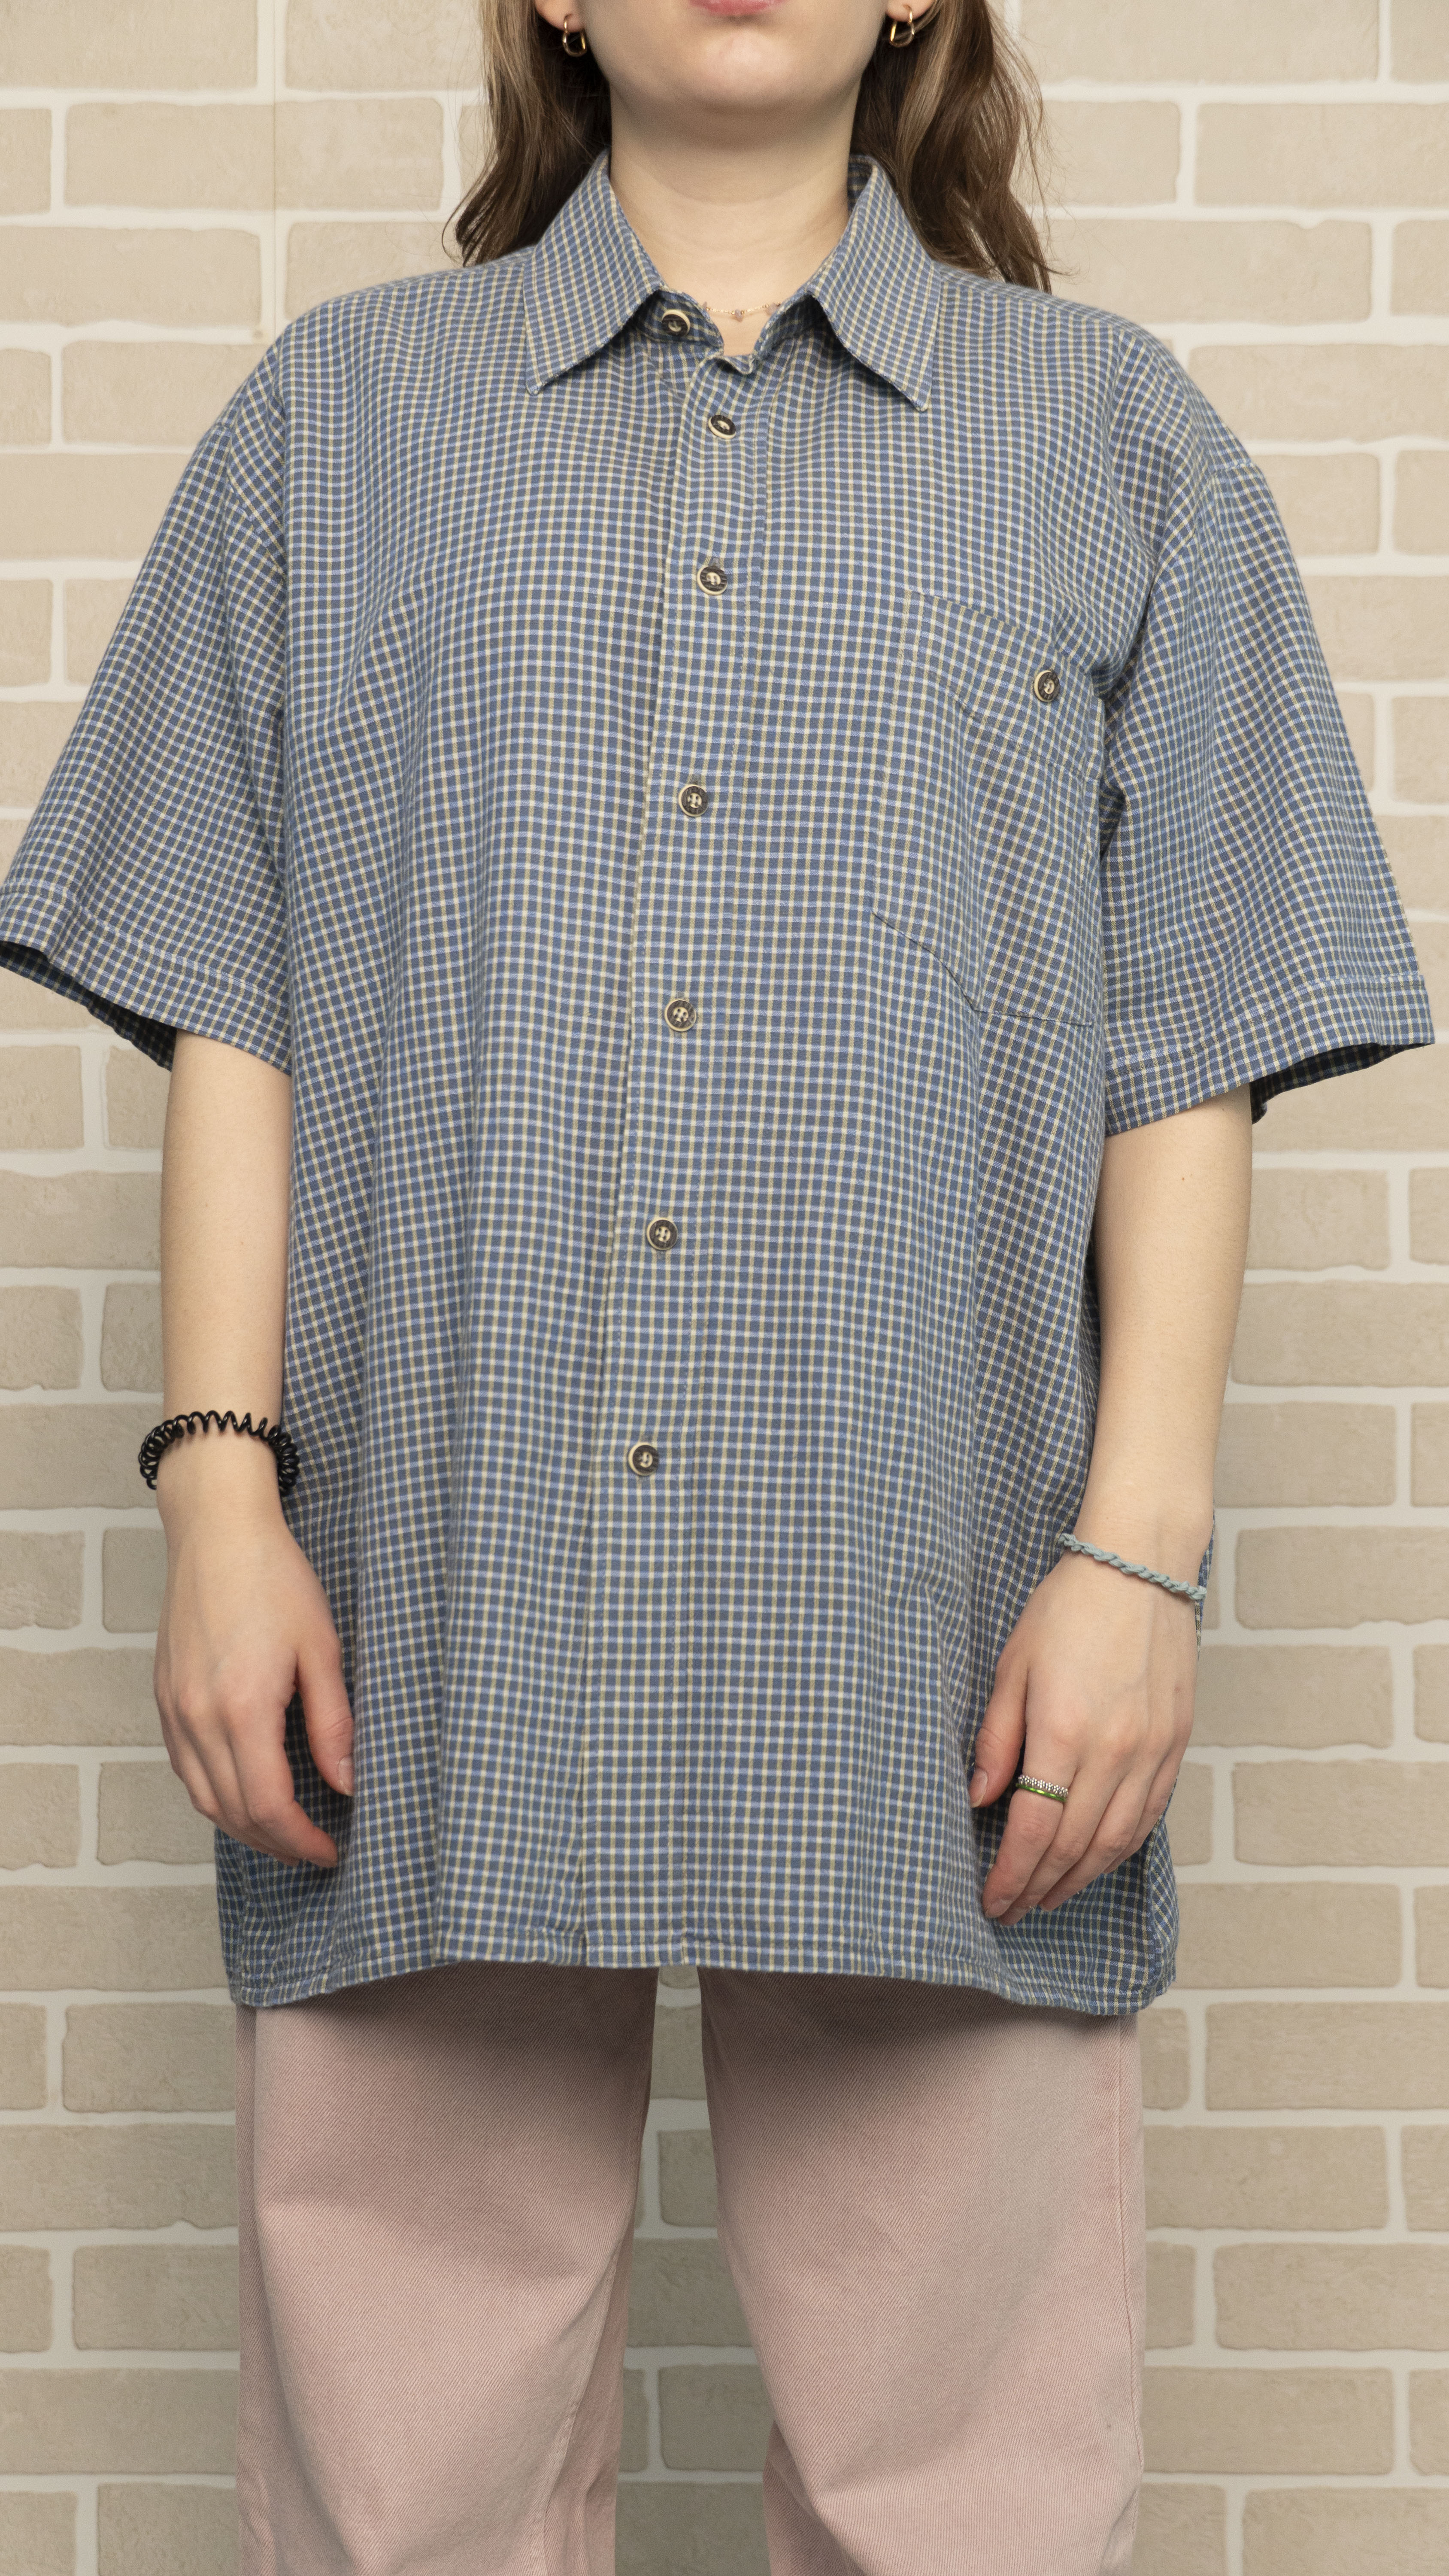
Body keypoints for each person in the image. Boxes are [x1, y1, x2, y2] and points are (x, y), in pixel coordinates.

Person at [0, 0, 1432, 2568]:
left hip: (946, 1620)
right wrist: (219, 1498)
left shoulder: (1113, 441)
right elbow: (237, 993)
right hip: (429, 1611)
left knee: (968, 2516)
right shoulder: (339, 426)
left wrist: (1137, 1560)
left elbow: (1191, 1041)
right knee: (399, 2514)